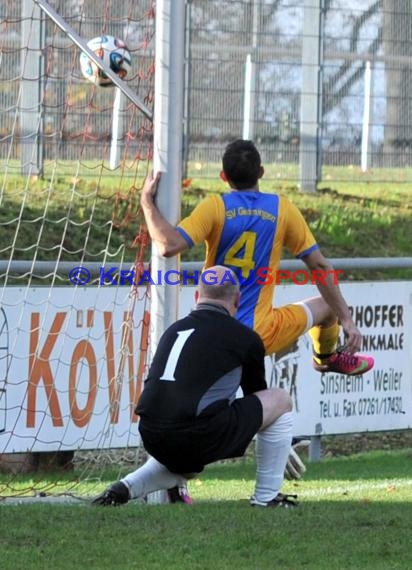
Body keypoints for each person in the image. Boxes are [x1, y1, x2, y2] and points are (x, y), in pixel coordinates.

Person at [139, 139, 374, 376]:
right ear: (261, 172)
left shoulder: (215, 207)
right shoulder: (282, 209)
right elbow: (320, 266)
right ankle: (325, 358)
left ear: (223, 176)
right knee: (328, 307)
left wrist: (147, 203)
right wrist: (347, 321)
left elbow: (168, 245)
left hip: (213, 332)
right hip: (261, 335)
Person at [93, 266, 297, 508]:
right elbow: (259, 398)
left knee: (186, 464)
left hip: (150, 433)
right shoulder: (245, 337)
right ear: (238, 300)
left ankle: (126, 487)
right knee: (281, 399)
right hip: (196, 435)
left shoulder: (174, 330)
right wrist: (279, 446)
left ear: (197, 297)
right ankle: (267, 498)